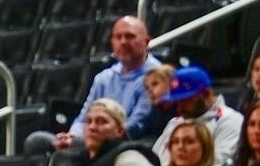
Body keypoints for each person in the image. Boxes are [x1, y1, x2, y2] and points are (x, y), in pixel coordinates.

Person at [34, 16, 163, 154]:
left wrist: (97, 135)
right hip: (91, 137)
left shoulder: (156, 76)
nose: (123, 42)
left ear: (146, 42)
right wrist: (72, 136)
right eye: (118, 37)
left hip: (122, 142)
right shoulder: (104, 78)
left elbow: (136, 124)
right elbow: (83, 116)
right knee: (36, 141)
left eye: (130, 36)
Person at [149, 65, 243, 166]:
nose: (179, 107)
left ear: (206, 94)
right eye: (177, 101)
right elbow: (152, 160)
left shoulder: (229, 120)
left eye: (185, 100)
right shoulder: (175, 123)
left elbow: (220, 165)